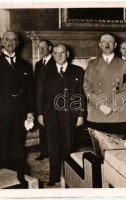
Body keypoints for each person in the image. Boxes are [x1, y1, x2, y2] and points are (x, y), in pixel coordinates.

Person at [0, 31, 35, 181]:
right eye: (7, 39)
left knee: (19, 147)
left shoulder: (25, 65)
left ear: (17, 44)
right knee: (3, 147)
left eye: (14, 40)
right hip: (1, 114)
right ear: (2, 43)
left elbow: (30, 92)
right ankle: (4, 180)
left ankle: (19, 178)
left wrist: (30, 112)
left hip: (20, 114)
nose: (10, 42)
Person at [40, 43, 85, 186]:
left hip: (70, 116)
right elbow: (39, 94)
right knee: (52, 147)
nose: (59, 55)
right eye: (56, 53)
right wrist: (40, 114)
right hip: (50, 115)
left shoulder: (78, 71)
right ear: (52, 55)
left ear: (68, 54)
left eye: (62, 52)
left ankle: (68, 177)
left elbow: (81, 95)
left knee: (68, 146)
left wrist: (80, 115)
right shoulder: (45, 71)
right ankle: (54, 177)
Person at [84, 32, 126, 134]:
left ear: (115, 45)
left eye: (110, 42)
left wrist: (112, 106)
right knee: (98, 147)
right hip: (96, 113)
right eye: (104, 42)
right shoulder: (92, 64)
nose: (107, 44)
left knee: (116, 147)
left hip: (116, 113)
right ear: (100, 45)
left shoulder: (124, 64)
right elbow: (87, 87)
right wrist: (100, 105)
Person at [34, 39, 55, 161]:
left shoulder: (56, 62)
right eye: (39, 47)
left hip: (52, 102)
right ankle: (44, 152)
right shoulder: (38, 64)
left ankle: (53, 152)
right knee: (42, 127)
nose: (41, 50)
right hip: (41, 101)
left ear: (50, 48)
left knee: (52, 128)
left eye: (43, 47)